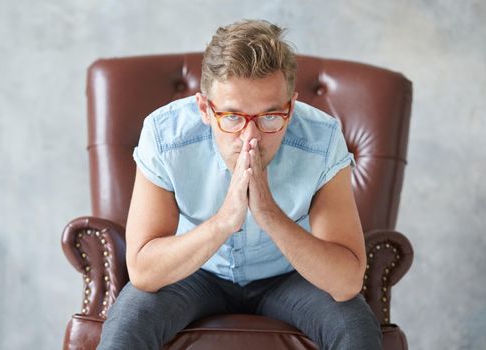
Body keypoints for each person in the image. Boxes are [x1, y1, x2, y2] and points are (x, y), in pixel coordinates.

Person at [98, 19, 381, 350]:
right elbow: (144, 270)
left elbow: (346, 281)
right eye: (232, 117)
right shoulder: (164, 136)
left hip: (289, 276)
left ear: (290, 109)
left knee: (354, 324)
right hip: (194, 273)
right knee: (129, 322)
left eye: (269, 117)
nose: (251, 138)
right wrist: (223, 222)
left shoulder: (322, 139)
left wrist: (269, 214)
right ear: (205, 108)